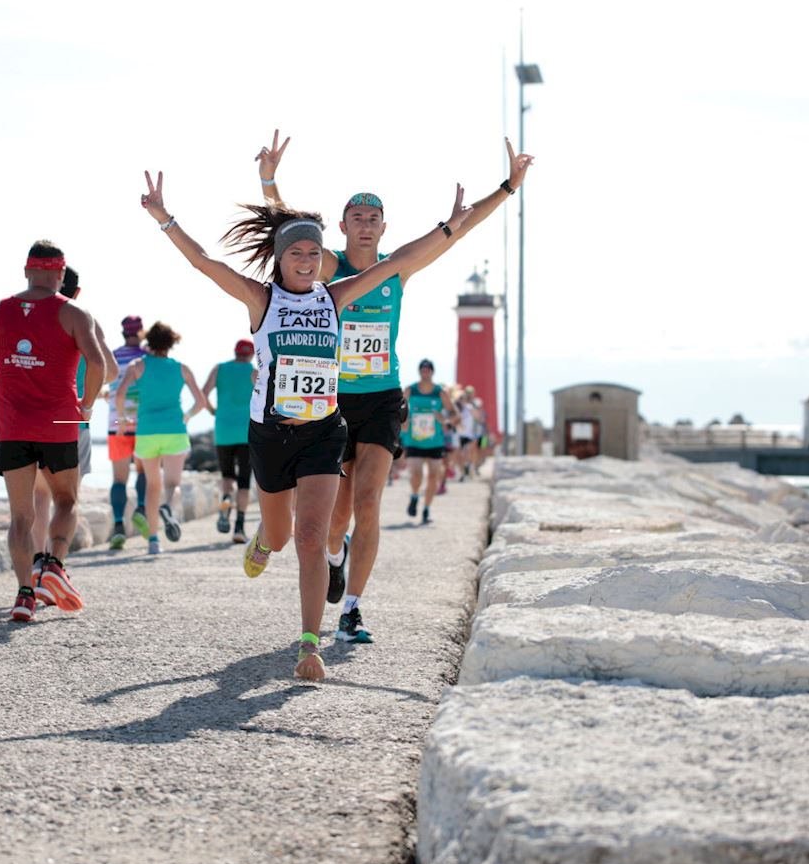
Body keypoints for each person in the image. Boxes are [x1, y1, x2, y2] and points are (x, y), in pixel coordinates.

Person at [139, 165, 482, 683]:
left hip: (325, 430)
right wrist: (165, 219)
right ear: (280, 261)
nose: (305, 261)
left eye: (312, 253)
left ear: (323, 261)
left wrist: (451, 226)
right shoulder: (262, 300)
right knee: (279, 537)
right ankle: (262, 538)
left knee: (311, 536)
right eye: (296, 253)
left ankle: (308, 643)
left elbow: (404, 260)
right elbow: (204, 263)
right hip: (272, 434)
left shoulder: (335, 297)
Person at [255, 130, 535, 644]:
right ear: (342, 227)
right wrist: (270, 181)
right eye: (356, 218)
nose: (365, 224)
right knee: (337, 511)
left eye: (373, 218)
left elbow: (458, 227)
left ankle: (353, 610)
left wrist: (508, 187)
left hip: (384, 397)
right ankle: (334, 556)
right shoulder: (331, 269)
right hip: (334, 400)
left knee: (368, 501)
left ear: (385, 227)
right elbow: (290, 228)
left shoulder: (395, 270)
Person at [0, 240, 105, 622]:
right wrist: (85, 407)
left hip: (12, 424)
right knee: (67, 501)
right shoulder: (74, 313)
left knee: (21, 517)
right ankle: (53, 566)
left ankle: (24, 594)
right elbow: (97, 364)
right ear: (60, 274)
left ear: (27, 271)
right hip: (60, 422)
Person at [31, 266, 118, 576]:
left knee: (38, 498)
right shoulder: (84, 320)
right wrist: (89, 398)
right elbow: (111, 371)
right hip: (71, 422)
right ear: (77, 292)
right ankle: (55, 568)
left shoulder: (26, 317)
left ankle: (35, 564)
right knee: (66, 499)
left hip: (30, 421)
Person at [113, 321, 207, 554]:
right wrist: (186, 417)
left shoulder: (138, 365)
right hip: (174, 430)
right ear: (172, 342)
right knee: (172, 484)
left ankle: (153, 541)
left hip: (146, 432)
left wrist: (123, 420)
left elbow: (120, 394)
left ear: (149, 341)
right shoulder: (181, 368)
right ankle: (168, 507)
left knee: (152, 487)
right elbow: (201, 402)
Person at [202, 340, 257, 544]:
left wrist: (212, 410)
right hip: (247, 431)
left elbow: (203, 393)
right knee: (244, 481)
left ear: (235, 352)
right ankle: (239, 528)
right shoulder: (254, 372)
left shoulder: (219, 369)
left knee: (227, 476)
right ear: (251, 354)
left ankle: (226, 499)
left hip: (223, 430)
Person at [105, 316, 151, 549]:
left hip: (117, 424)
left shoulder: (113, 356)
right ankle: (141, 508)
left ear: (123, 333)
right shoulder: (148, 358)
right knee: (143, 472)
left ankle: (118, 525)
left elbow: (109, 385)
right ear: (141, 332)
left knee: (119, 479)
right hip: (143, 425)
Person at [402, 360, 456, 527]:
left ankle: (426, 509)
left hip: (435, 442)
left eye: (428, 370)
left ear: (432, 372)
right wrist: (403, 421)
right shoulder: (410, 389)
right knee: (416, 475)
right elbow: (399, 408)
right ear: (419, 372)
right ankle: (415, 496)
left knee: (434, 477)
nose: (425, 373)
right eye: (423, 370)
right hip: (414, 440)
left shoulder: (440, 392)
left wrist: (445, 420)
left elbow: (455, 414)